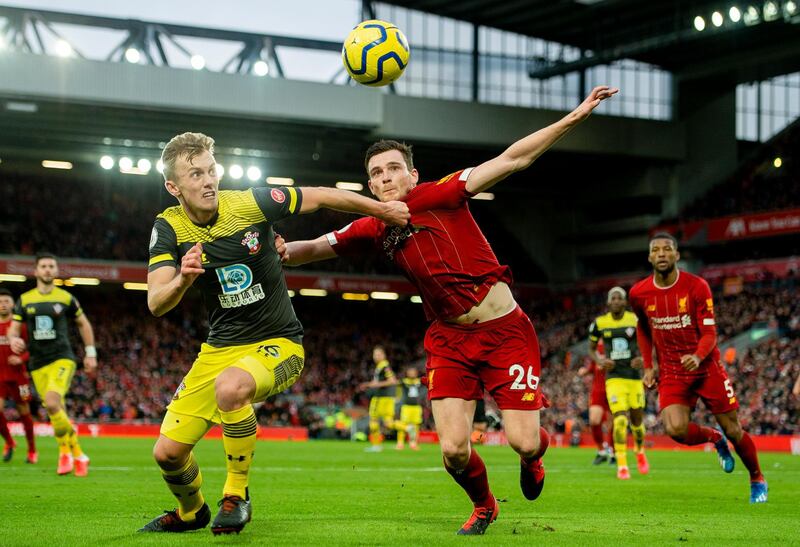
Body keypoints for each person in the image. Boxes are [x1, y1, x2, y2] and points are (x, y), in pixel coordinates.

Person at [282, 86, 618, 535]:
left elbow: (513, 159)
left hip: (505, 332)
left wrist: (574, 116)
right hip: (448, 339)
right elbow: (316, 248)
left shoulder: (441, 194)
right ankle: (484, 506)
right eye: (376, 173)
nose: (385, 178)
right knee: (454, 451)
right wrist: (281, 250)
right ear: (369, 185)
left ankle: (534, 457)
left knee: (522, 440)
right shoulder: (372, 226)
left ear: (412, 175)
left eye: (393, 169)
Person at [139, 132, 409, 535]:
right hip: (219, 349)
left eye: (212, 170)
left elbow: (321, 195)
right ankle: (191, 511)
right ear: (173, 186)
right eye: (196, 174)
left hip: (279, 343)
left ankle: (236, 494)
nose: (209, 180)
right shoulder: (169, 226)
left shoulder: (249, 203)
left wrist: (383, 211)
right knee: (167, 454)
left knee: (232, 388)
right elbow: (156, 301)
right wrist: (183, 278)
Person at [629, 233, 767, 504]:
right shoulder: (639, 293)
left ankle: (757, 478)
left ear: (677, 255)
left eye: (667, 249)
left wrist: (697, 355)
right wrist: (649, 366)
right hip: (672, 371)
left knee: (734, 430)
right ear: (649, 257)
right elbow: (643, 328)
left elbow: (709, 333)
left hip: (707, 368)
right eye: (655, 250)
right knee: (675, 430)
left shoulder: (697, 286)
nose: (661, 254)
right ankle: (713, 438)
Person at [8, 255, 97, 476]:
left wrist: (90, 353)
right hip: (37, 363)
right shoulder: (25, 299)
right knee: (56, 409)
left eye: (51, 266)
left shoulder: (66, 298)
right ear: (36, 271)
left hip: (62, 358)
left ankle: (67, 453)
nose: (47, 270)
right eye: (43, 266)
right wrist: (13, 339)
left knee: (51, 402)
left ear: (56, 271)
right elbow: (13, 328)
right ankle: (75, 453)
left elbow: (83, 323)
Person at [587, 287, 648, 480]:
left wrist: (644, 359)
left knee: (637, 422)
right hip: (613, 378)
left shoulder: (635, 319)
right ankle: (622, 464)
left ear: (624, 302)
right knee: (620, 420)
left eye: (619, 298)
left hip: (633, 377)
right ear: (608, 302)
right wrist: (599, 361)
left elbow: (651, 340)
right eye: (612, 298)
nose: (615, 301)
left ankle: (639, 450)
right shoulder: (599, 323)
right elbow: (591, 349)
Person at [0, 288, 36, 463]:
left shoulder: (20, 326)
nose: (3, 305)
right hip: (0, 377)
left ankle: (32, 450)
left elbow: (32, 350)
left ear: (13, 304)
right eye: (0, 302)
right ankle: (10, 442)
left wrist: (21, 358)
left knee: (24, 413)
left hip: (18, 377)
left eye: (6, 301)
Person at [576, 351, 614, 466]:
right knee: (594, 420)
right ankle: (601, 451)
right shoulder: (595, 348)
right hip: (598, 389)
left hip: (613, 386)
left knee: (612, 424)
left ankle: (613, 453)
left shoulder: (614, 339)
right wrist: (585, 371)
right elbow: (593, 367)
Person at [358, 345, 398, 452]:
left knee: (373, 420)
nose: (376, 356)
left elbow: (393, 381)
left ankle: (376, 446)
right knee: (388, 423)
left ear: (384, 355)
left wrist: (376, 385)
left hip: (380, 398)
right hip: (385, 398)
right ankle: (406, 427)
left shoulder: (384, 366)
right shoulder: (380, 366)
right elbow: (377, 382)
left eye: (379, 354)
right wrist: (367, 384)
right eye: (375, 354)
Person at [396, 366, 424, 450]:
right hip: (406, 407)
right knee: (403, 424)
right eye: (410, 372)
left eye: (413, 372)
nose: (412, 373)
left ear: (416, 373)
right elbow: (397, 387)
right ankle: (400, 443)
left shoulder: (420, 381)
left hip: (416, 407)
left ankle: (413, 443)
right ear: (407, 373)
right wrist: (397, 397)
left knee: (416, 426)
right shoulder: (403, 381)